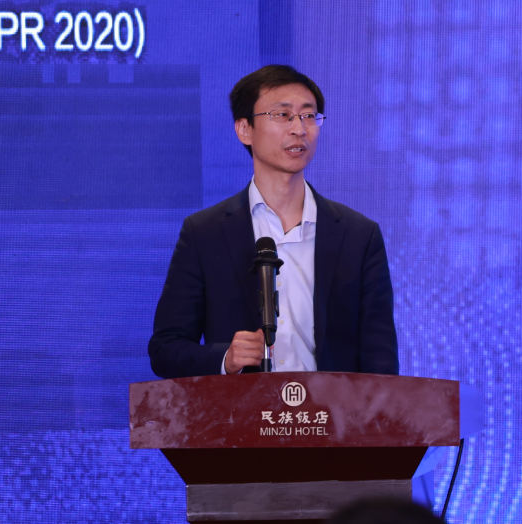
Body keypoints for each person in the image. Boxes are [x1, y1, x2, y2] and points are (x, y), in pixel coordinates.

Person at [148, 65, 398, 378]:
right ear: (244, 129)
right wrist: (225, 359)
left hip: (330, 409)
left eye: (309, 116)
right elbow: (166, 349)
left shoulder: (358, 236)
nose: (299, 129)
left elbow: (381, 364)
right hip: (243, 408)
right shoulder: (205, 233)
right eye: (283, 115)